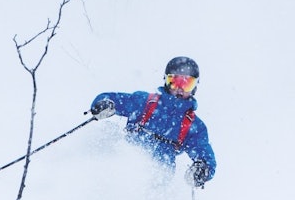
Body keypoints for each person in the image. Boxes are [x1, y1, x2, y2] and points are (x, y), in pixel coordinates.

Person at [89, 56, 216, 187]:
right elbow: (112, 98)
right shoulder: (145, 102)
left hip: (158, 178)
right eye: (175, 82)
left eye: (186, 84)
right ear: (166, 81)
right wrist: (103, 104)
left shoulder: (193, 126)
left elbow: (205, 155)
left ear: (194, 87)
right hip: (123, 164)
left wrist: (202, 170)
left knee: (157, 183)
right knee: (108, 134)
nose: (179, 89)